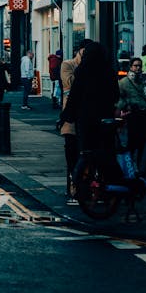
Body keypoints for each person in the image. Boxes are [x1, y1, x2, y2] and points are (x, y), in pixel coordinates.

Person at [60, 41, 119, 156]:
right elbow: (115, 94)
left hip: (85, 118)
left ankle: (82, 172)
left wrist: (67, 116)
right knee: (105, 152)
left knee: (86, 152)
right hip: (104, 116)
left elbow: (74, 96)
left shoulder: (82, 71)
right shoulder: (108, 71)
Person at [59, 39, 91, 202]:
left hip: (88, 115)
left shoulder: (94, 66)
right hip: (71, 115)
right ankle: (72, 187)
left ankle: (85, 188)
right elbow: (70, 83)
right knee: (71, 153)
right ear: (79, 51)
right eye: (84, 52)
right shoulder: (68, 65)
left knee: (86, 153)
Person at [116, 57, 146, 169]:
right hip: (132, 117)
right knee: (131, 144)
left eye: (140, 66)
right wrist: (126, 106)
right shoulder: (123, 82)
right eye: (135, 65)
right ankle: (130, 167)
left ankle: (141, 167)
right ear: (131, 67)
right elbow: (119, 99)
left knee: (143, 143)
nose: (138, 68)